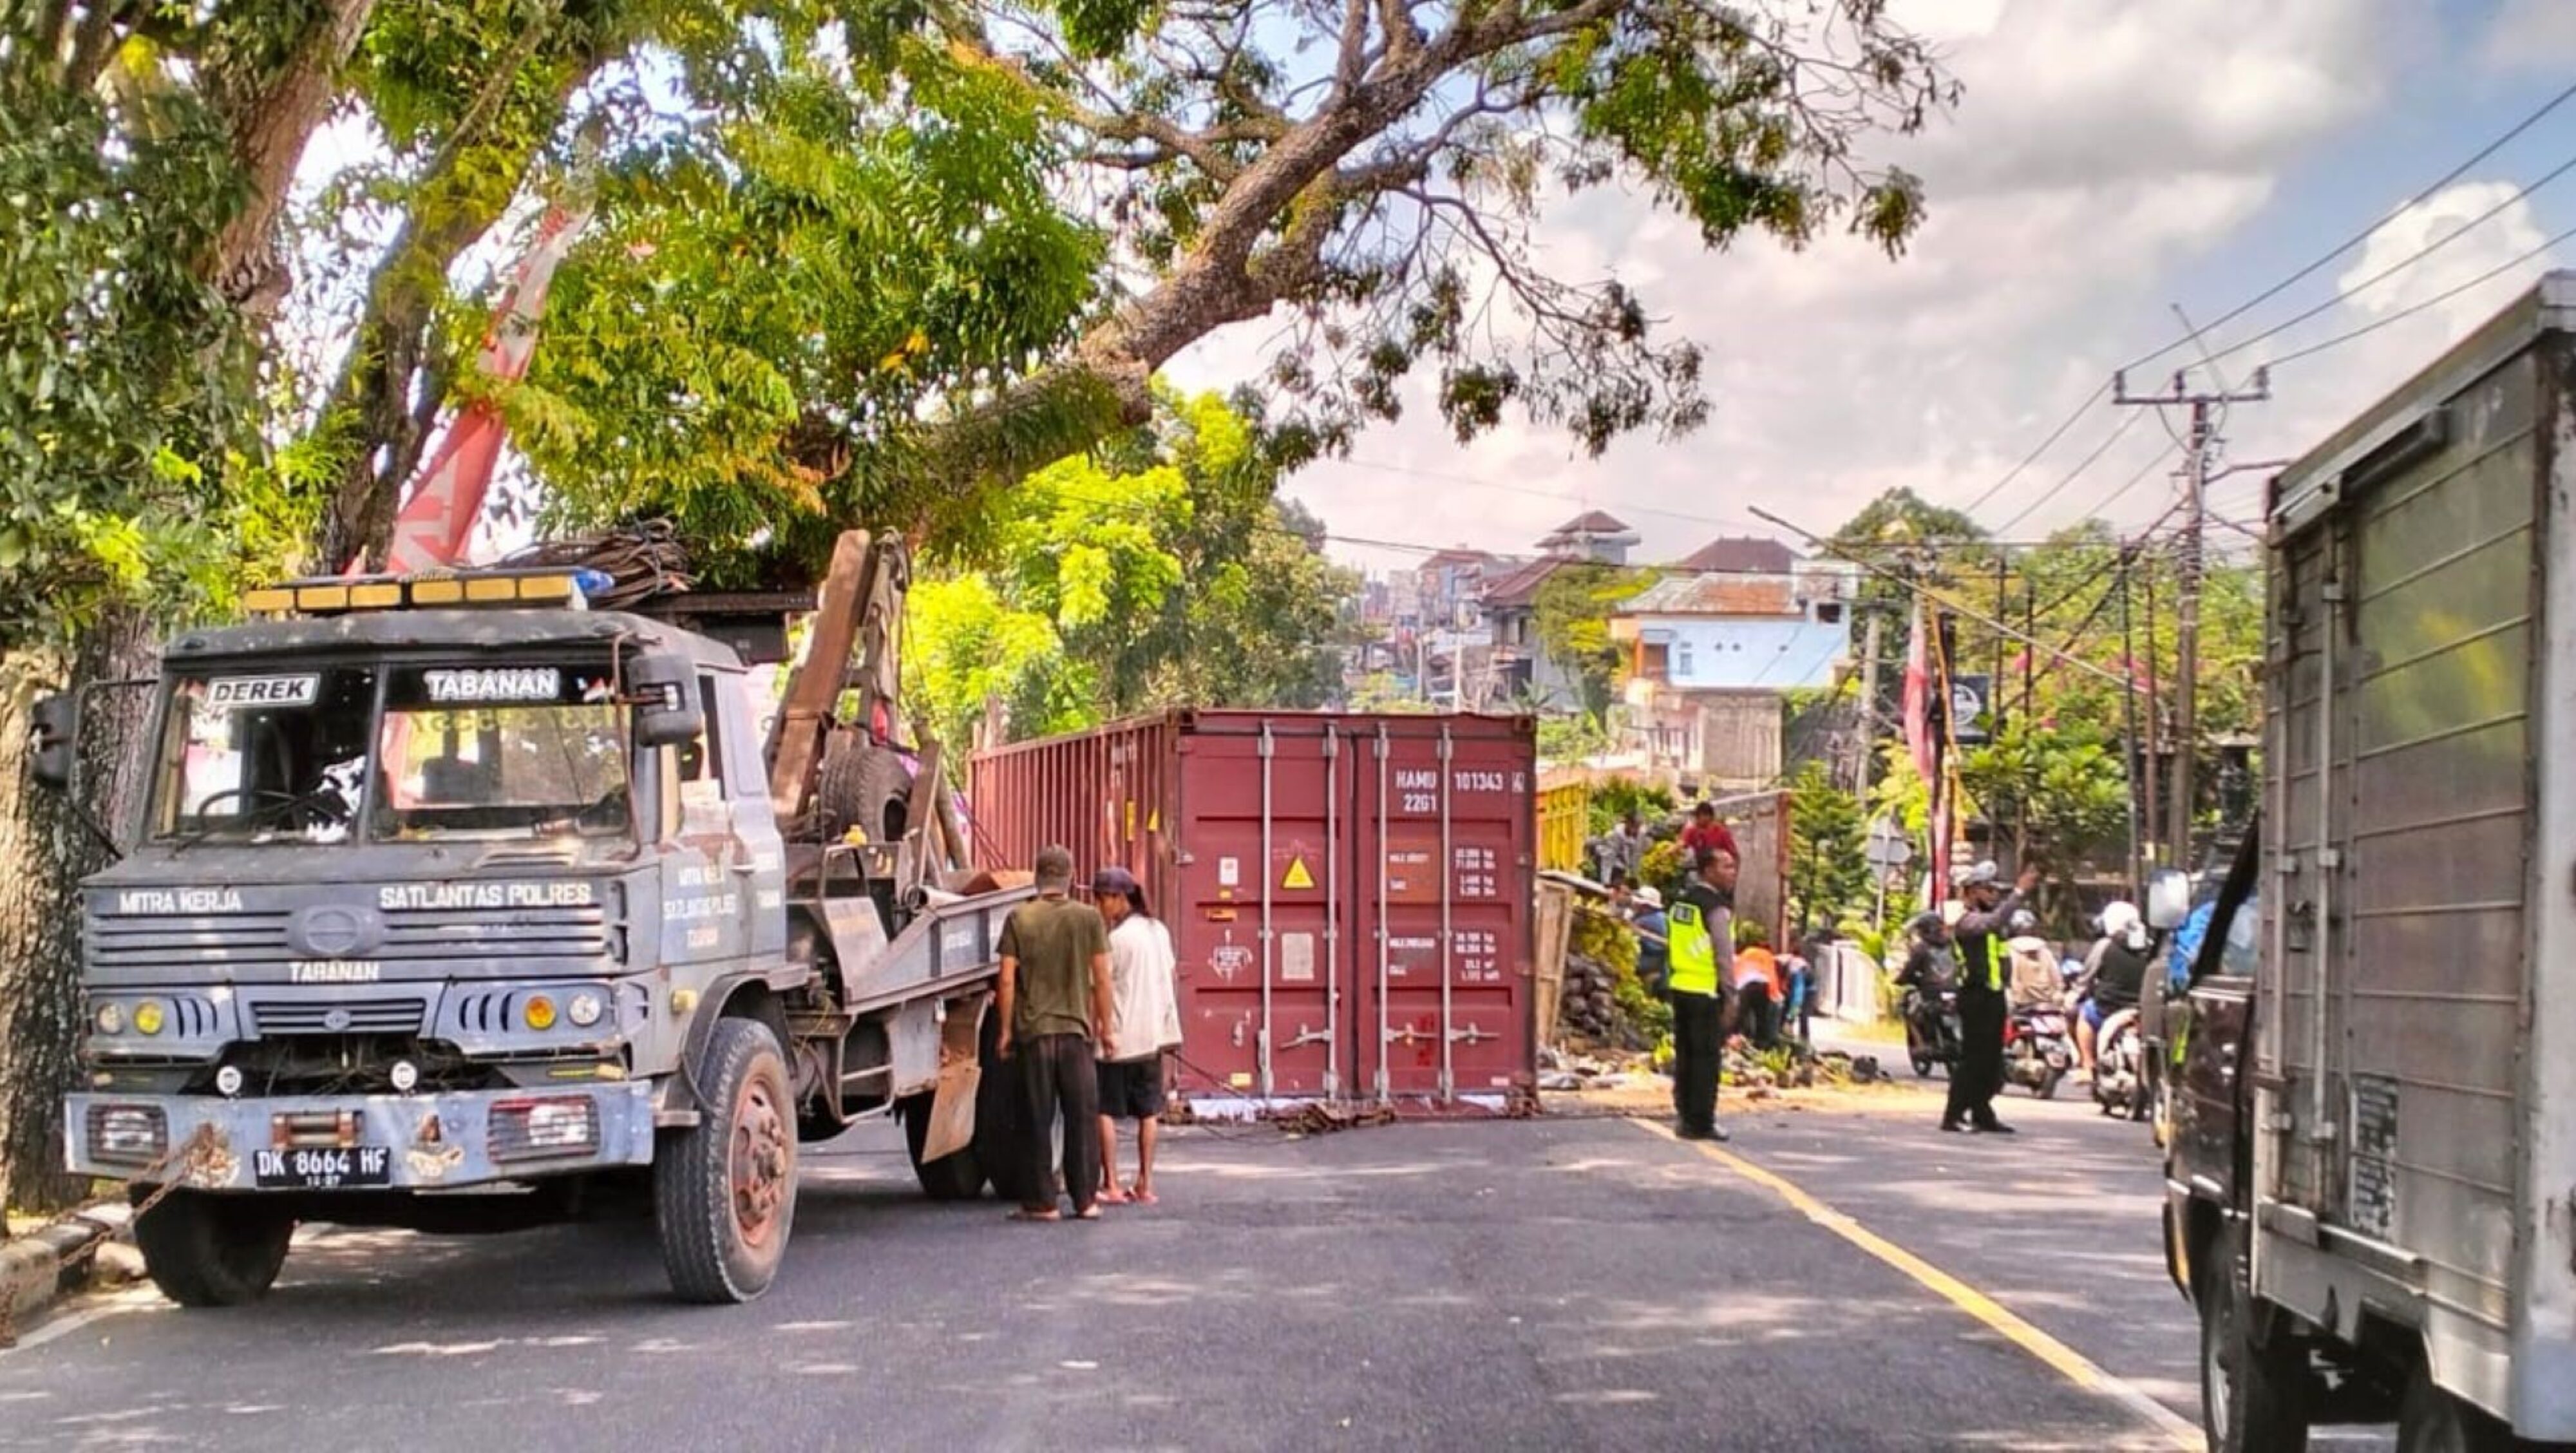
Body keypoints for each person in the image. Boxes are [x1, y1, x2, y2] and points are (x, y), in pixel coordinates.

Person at [996, 845, 1115, 1222]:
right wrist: (1106, 1029)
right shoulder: (1089, 918)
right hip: (1076, 1033)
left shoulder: (1019, 918)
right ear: (1069, 877)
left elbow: (1007, 980)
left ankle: (1042, 1203)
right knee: (1082, 1116)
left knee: (1036, 1117)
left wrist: (1005, 1031)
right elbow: (1102, 977)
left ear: (1037, 876)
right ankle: (1086, 1200)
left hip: (1035, 1033)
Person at [1090, 867, 1181, 1208]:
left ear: (1119, 898)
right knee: (1148, 1112)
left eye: (1102, 899)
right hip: (1153, 1037)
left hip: (1119, 1037)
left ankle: (1111, 1183)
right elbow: (1167, 974)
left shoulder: (1115, 940)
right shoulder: (1159, 931)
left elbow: (1100, 985)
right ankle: (1145, 1184)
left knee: (1105, 1110)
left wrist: (1102, 1029)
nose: (1100, 907)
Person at [1942, 859, 2040, 1135]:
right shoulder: (1965, 920)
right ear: (1972, 891)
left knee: (1992, 1062)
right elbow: (1992, 923)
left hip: (1993, 996)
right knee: (1973, 1060)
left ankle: (1982, 1112)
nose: (1994, 895)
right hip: (1974, 997)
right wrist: (2018, 893)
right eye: (1988, 889)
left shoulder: (1992, 920)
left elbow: (2001, 934)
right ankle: (1953, 1115)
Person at [1666, 846, 1738, 1142]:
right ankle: (1703, 1122)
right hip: (1706, 992)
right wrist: (1731, 996)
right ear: (1708, 870)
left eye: (1733, 866)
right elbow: (1724, 955)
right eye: (1726, 866)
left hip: (1680, 988)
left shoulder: (1681, 903)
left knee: (1685, 1057)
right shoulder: (1716, 908)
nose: (1732, 872)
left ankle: (1684, 1118)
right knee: (1706, 1062)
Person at [2074, 901, 2154, 1078]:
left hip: (2108, 1006)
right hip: (2143, 1009)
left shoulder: (2104, 945)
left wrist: (2076, 993)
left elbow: (2087, 975)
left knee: (2085, 1014)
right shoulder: (2151, 947)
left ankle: (2088, 1065)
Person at [1730, 924, 1781, 1049]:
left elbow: (1737, 970)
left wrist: (1733, 990)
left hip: (1746, 985)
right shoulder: (1768, 955)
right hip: (1763, 985)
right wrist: (1774, 993)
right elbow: (1771, 974)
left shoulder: (1747, 953)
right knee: (1761, 1016)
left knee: (1741, 1014)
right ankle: (1761, 1044)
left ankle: (1735, 1038)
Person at [2004, 909, 2061, 1014]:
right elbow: (2057, 979)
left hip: (2019, 1004)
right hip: (2047, 1004)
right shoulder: (2045, 950)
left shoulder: (2008, 949)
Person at [1631, 886, 1671, 998]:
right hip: (1653, 963)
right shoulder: (1657, 917)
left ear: (1647, 907)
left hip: (1650, 963)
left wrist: (1641, 933)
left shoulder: (1652, 920)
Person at [1597, 812, 1647, 886]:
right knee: (1616, 879)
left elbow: (1636, 856)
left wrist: (1634, 876)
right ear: (1627, 823)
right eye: (1633, 826)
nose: (1635, 830)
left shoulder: (1640, 834)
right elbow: (1608, 860)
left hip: (1624, 864)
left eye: (1638, 827)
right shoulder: (1614, 835)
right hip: (1612, 861)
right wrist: (1606, 882)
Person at [1680, 802, 1739, 866]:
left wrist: (1734, 870)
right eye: (1697, 818)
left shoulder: (1722, 832)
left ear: (1710, 817)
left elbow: (1734, 853)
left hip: (1719, 868)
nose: (1697, 822)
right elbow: (1682, 844)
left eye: (1703, 817)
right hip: (1701, 867)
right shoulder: (1693, 830)